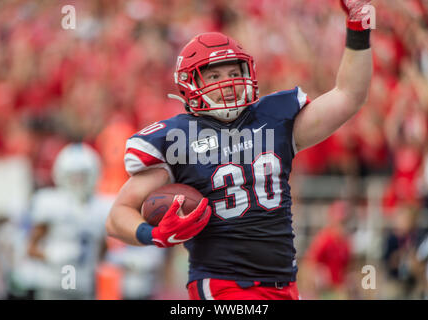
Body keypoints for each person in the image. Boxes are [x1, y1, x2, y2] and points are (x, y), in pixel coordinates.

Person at [106, 0, 373, 300]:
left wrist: (358, 27)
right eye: (215, 76)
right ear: (189, 84)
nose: (227, 83)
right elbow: (117, 215)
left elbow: (350, 95)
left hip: (283, 283)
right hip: (224, 285)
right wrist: (153, 234)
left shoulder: (274, 119)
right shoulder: (179, 137)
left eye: (233, 72)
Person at [24, 142, 113, 299]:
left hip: (84, 285)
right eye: (73, 176)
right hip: (53, 284)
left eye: (83, 175)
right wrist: (51, 255)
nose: (78, 181)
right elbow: (30, 248)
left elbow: (103, 249)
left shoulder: (101, 206)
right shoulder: (49, 202)